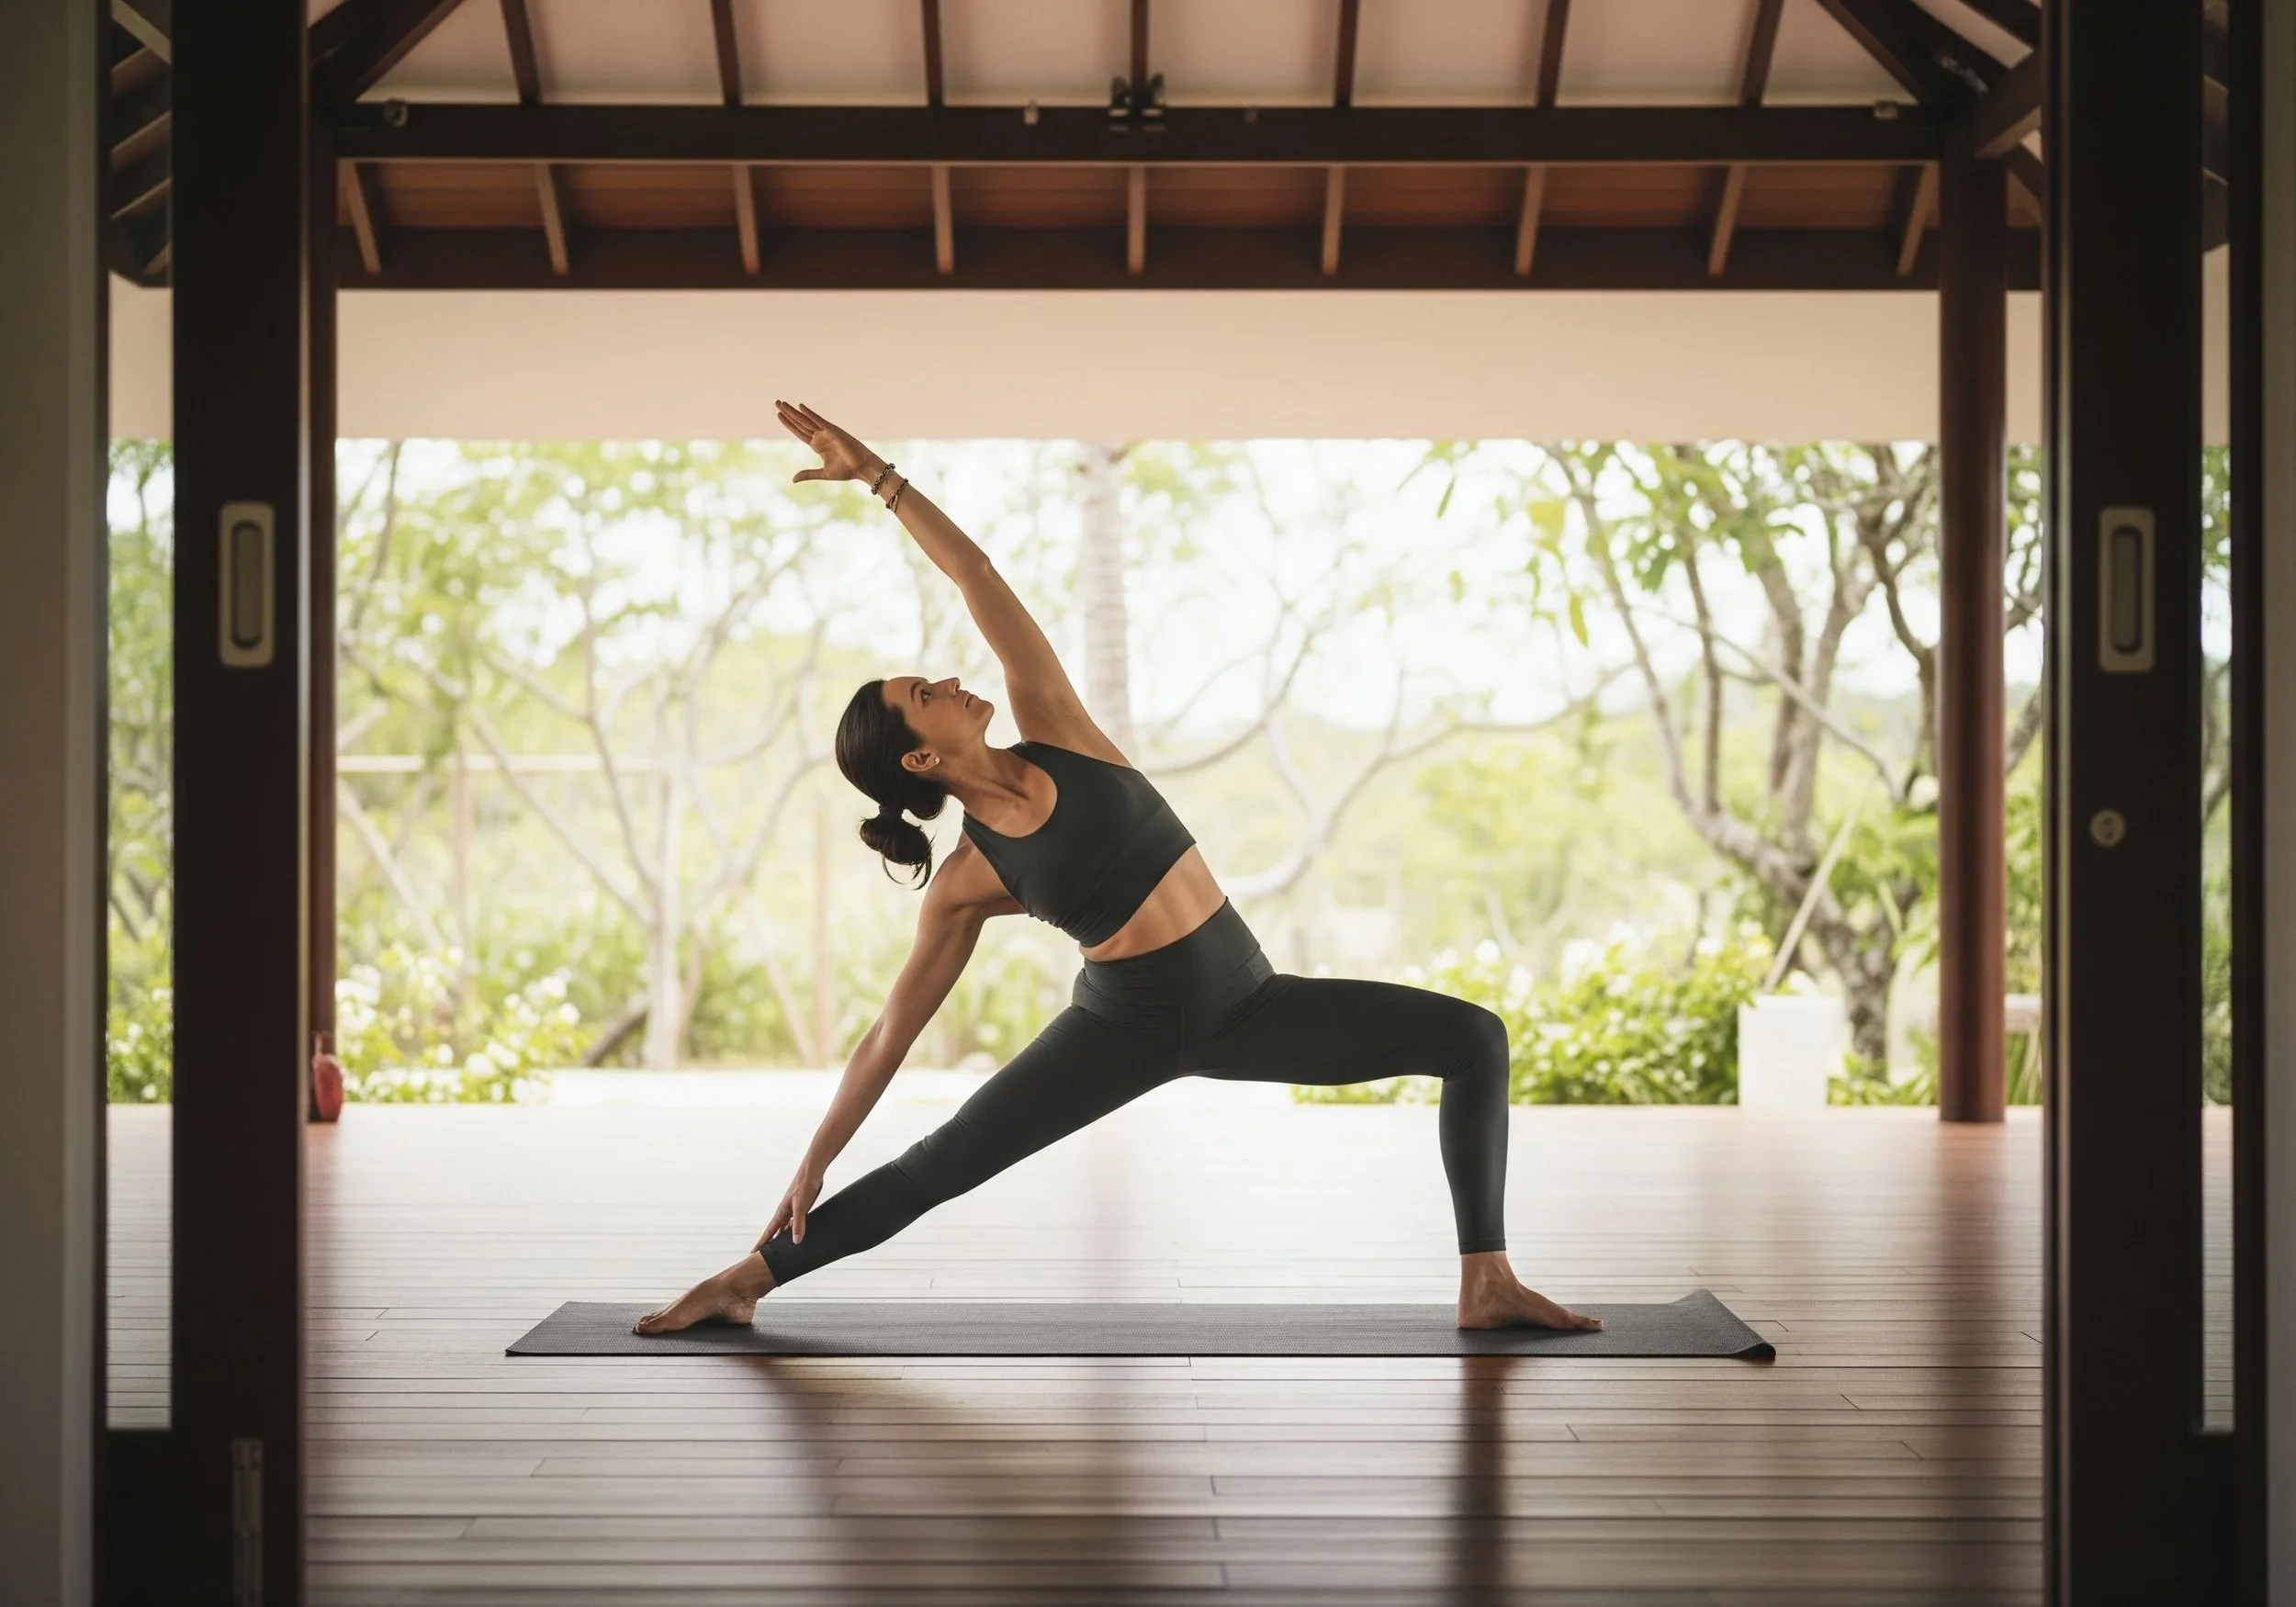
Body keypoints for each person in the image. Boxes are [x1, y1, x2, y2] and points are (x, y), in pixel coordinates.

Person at [635, 403, 1601, 1336]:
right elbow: (891, 1030)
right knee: (945, 1162)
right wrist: (815, 1157)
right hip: (1119, 1028)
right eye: (924, 694)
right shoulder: (970, 878)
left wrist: (879, 480)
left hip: (1249, 1003)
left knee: (1473, 1037)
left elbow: (972, 573)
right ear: (919, 759)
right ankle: (743, 1281)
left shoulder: (1057, 727)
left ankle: (1488, 1281)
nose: (946, 678)